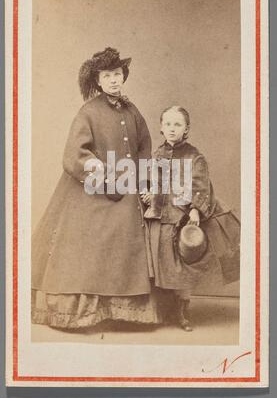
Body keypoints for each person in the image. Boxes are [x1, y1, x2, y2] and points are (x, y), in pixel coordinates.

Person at [31, 47, 161, 329]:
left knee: (127, 230)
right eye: (107, 76)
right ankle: (82, 313)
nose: (114, 80)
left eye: (117, 75)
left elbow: (143, 149)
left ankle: (121, 311)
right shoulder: (88, 112)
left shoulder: (132, 110)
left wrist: (141, 182)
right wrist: (102, 176)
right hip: (90, 188)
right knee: (90, 239)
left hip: (126, 187)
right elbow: (75, 155)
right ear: (98, 81)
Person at [141, 105, 240, 331]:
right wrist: (149, 194)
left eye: (177, 124)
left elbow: (201, 186)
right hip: (159, 218)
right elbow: (152, 182)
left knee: (182, 267)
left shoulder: (195, 157)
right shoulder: (156, 155)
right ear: (161, 128)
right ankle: (164, 309)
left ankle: (182, 312)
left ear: (186, 129)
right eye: (168, 124)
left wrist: (195, 209)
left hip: (181, 218)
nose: (172, 129)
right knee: (162, 264)